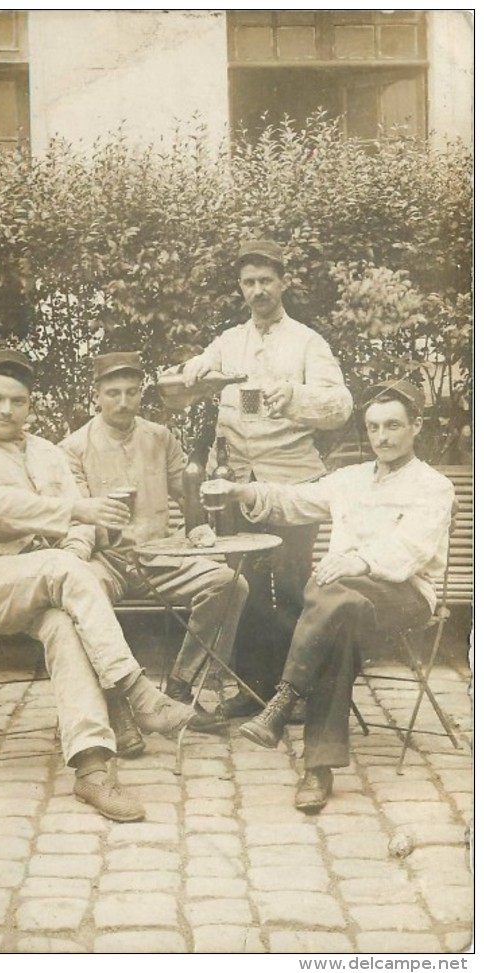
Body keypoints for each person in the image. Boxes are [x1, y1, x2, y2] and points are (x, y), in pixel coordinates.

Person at [0, 348, 195, 824]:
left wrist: (73, 548)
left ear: (31, 406)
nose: (7, 410)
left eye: (18, 401)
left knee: (65, 626)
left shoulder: (45, 452)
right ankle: (137, 692)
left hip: (42, 580)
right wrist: (74, 525)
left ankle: (92, 767)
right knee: (62, 569)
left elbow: (81, 525)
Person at [218, 380, 454, 813]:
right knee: (338, 617)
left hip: (404, 598)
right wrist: (245, 492)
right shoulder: (350, 480)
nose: (382, 437)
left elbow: (411, 548)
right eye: (374, 427)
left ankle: (285, 699)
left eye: (393, 426)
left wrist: (358, 562)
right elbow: (294, 500)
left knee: (330, 589)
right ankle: (316, 766)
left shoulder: (433, 487)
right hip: (346, 602)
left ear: (415, 426)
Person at [180, 239, 353, 718]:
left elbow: (340, 406)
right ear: (241, 288)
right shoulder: (230, 341)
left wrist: (293, 396)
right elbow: (197, 375)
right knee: (246, 588)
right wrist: (194, 371)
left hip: (294, 485)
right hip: (236, 486)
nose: (257, 290)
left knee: (291, 588)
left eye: (265, 281)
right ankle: (250, 692)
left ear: (283, 282)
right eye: (248, 283)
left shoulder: (307, 342)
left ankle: (295, 694)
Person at [59, 352, 249, 750]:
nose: (123, 402)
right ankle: (118, 708)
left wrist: (205, 513)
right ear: (96, 395)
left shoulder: (160, 438)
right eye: (113, 393)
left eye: (131, 392)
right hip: (104, 561)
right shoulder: (73, 448)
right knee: (77, 599)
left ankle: (180, 689)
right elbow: (74, 517)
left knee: (230, 583)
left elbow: (189, 494)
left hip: (160, 558)